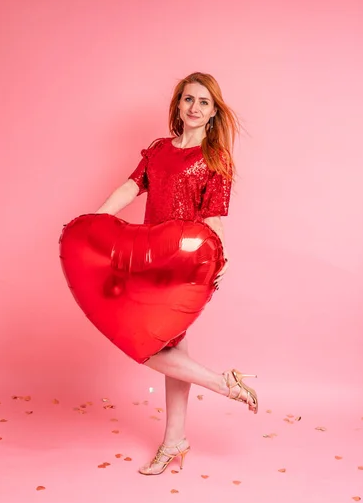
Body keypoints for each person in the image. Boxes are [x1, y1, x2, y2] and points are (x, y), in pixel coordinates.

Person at [96, 72, 258, 475]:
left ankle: (214, 395)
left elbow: (215, 219)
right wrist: (95, 220)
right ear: (178, 105)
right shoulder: (158, 151)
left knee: (152, 346)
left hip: (187, 265)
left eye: (204, 102)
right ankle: (177, 437)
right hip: (148, 258)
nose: (194, 108)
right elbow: (130, 188)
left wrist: (221, 257)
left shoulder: (215, 159)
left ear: (213, 112)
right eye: (189, 99)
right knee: (170, 349)